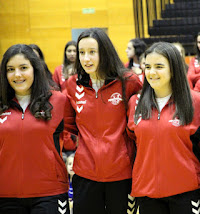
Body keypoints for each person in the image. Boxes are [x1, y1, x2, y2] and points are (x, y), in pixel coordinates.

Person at [63, 28, 142, 214]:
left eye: (92, 52)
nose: (86, 58)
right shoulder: (72, 84)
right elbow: (69, 126)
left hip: (122, 174)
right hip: (85, 174)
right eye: (82, 52)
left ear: (104, 52)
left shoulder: (129, 81)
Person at [127, 42, 200, 214]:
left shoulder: (196, 102)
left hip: (186, 192)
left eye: (159, 66)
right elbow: (133, 145)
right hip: (147, 193)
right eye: (147, 66)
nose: (151, 72)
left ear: (174, 69)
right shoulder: (135, 103)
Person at [0, 44, 69, 213]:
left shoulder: (59, 101)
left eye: (23, 68)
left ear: (35, 69)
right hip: (6, 195)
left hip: (50, 194)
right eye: (10, 69)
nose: (17, 75)